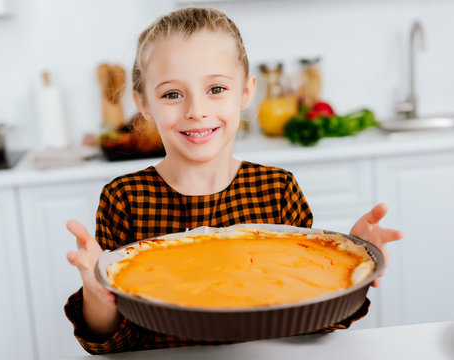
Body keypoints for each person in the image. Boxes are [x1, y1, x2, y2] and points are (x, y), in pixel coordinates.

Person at [64, 7, 403, 355]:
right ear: (143, 103)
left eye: (216, 88)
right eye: (172, 94)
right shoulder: (124, 198)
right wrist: (95, 291)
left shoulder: (277, 190)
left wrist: (353, 261)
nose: (196, 110)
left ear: (245, 92)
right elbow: (110, 340)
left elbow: (310, 320)